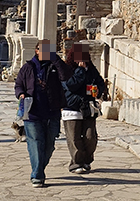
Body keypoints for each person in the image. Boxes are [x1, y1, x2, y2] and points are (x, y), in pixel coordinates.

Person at [13, 40, 70, 187]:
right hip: (32, 113)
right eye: (43, 49)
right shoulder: (27, 68)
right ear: (36, 50)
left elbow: (66, 77)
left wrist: (56, 59)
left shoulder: (55, 66)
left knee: (49, 144)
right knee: (35, 143)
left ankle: (39, 169)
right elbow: (18, 84)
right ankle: (37, 175)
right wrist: (21, 94)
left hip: (52, 111)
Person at [61, 46, 107, 174]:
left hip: (88, 108)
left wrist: (98, 90)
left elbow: (100, 83)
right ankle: (76, 163)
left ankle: (86, 160)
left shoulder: (91, 69)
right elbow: (71, 85)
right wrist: (80, 70)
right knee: (74, 138)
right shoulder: (67, 69)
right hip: (72, 107)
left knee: (90, 137)